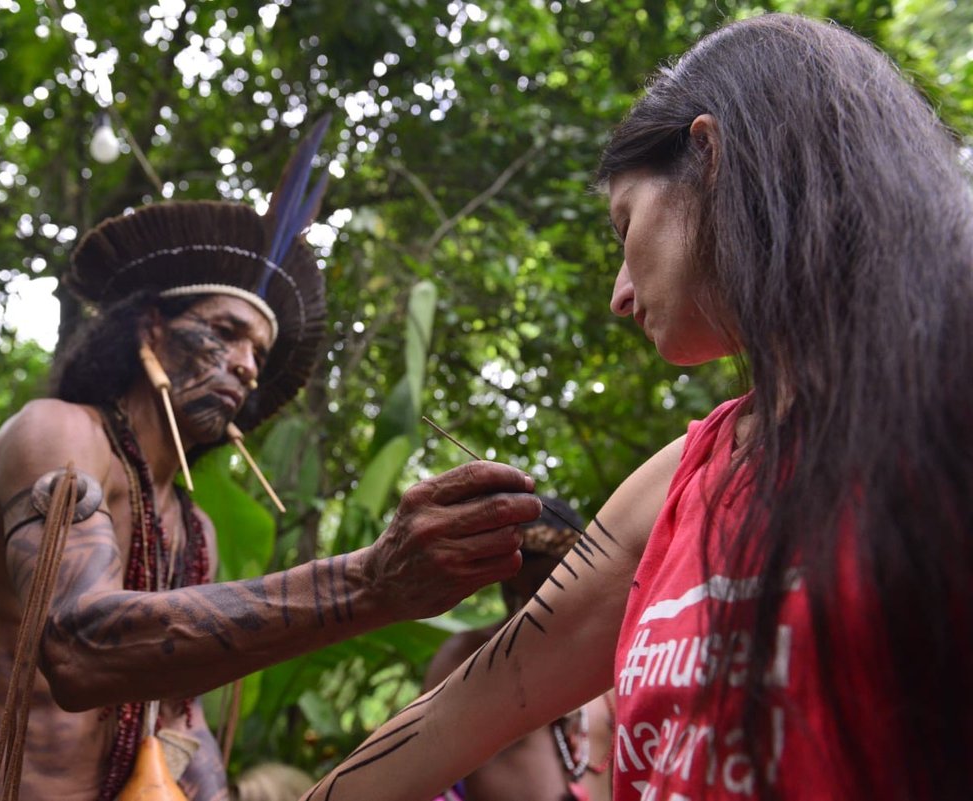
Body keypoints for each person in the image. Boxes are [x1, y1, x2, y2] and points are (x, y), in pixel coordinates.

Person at [304, 13, 973, 801]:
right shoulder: (673, 484)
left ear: (711, 158)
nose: (620, 296)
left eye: (625, 224)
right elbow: (461, 711)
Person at [0, 121, 542, 801]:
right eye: (227, 331)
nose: (244, 364)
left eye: (259, 354)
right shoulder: (59, 434)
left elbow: (179, 725)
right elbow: (79, 647)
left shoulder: (192, 528)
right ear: (152, 329)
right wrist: (371, 582)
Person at [422, 498, 585, 801]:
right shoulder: (469, 656)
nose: (547, 591)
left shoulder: (601, 662)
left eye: (559, 575)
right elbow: (418, 772)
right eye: (535, 579)